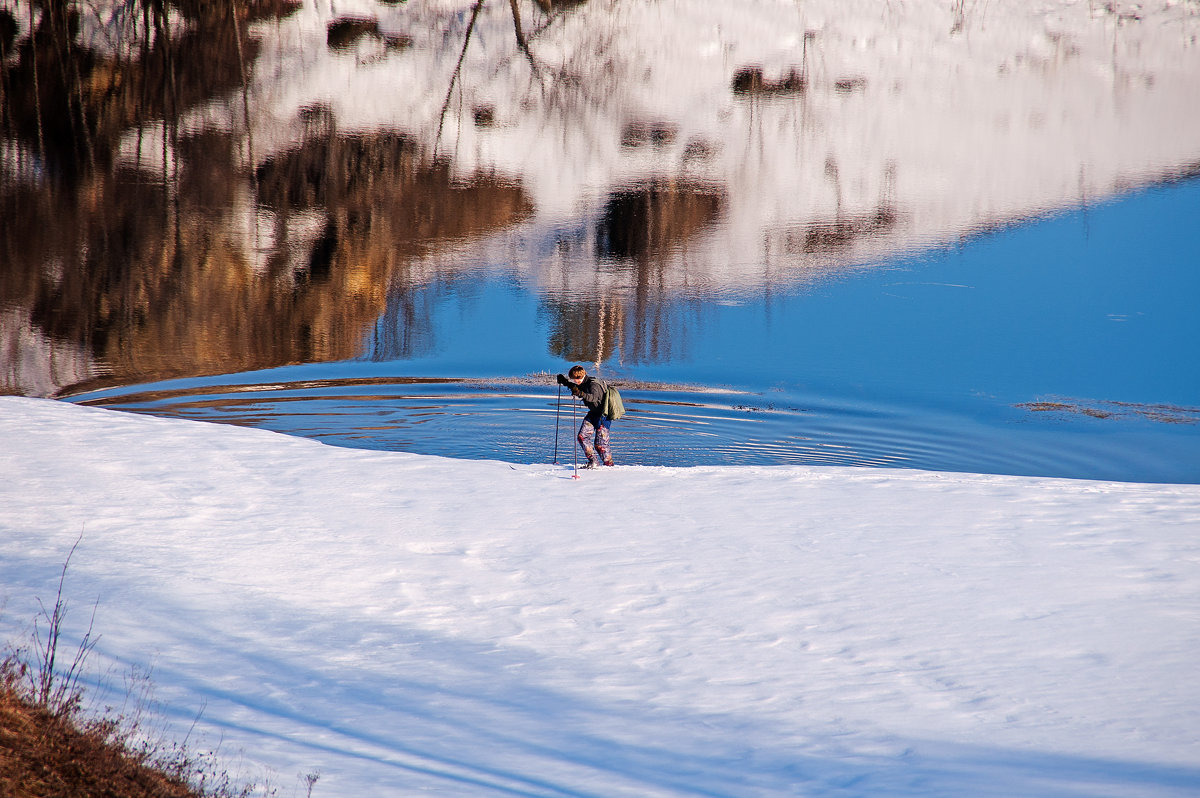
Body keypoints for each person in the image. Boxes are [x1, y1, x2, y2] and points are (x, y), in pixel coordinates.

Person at [556, 365, 614, 467]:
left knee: (600, 445)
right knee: (582, 437)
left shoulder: (593, 385)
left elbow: (593, 398)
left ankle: (609, 465)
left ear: (580, 377)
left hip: (603, 415)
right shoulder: (582, 383)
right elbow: (576, 388)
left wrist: (580, 393)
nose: (574, 381)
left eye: (575, 379)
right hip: (593, 413)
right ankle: (594, 461)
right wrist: (565, 382)